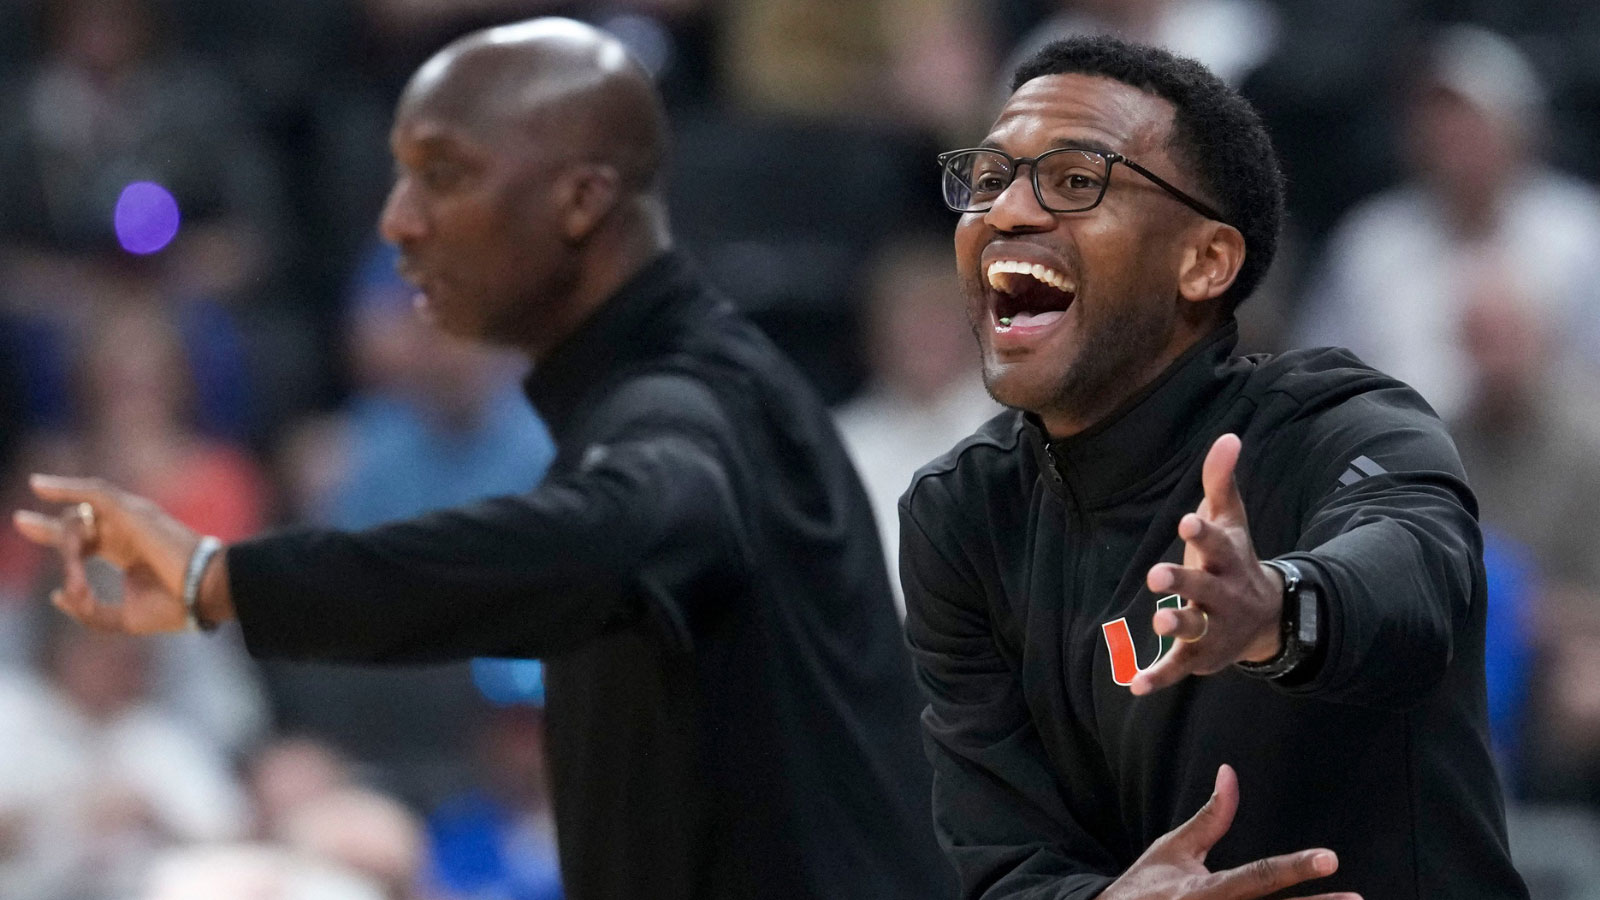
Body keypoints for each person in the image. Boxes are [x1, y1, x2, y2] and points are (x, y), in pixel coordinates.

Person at [14, 17, 947, 900]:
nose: (397, 222)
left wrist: (220, 580)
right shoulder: (687, 385)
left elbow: (622, 525)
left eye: (443, 176)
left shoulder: (686, 407)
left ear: (581, 200)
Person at [902, 35, 1528, 899]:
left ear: (1205, 262)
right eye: (988, 179)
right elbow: (1002, 862)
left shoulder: (1336, 421)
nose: (1007, 212)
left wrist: (1278, 607)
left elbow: (1418, 571)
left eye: (1076, 182)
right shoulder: (962, 515)